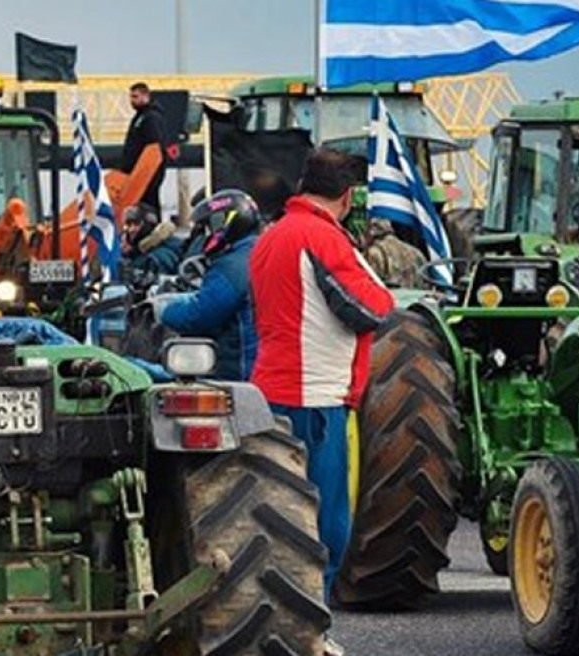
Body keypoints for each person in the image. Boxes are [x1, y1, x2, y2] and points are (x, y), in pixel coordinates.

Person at [249, 149, 394, 620]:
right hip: (317, 402)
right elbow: (372, 306)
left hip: (270, 394)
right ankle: (311, 627)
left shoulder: (270, 238)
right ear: (347, 196)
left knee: (276, 522)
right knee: (327, 529)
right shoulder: (322, 237)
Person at [159, 190, 262, 381]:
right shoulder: (257, 250)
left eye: (208, 227)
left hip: (238, 373)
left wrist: (163, 309)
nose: (206, 236)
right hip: (260, 365)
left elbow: (200, 316)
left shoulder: (233, 265)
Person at [121, 82, 167, 212]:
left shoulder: (151, 118)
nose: (132, 101)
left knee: (148, 203)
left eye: (135, 97)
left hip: (147, 173)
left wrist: (145, 171)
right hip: (138, 172)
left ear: (145, 96)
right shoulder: (140, 117)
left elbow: (154, 146)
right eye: (131, 97)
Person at [363, 218, 429, 288]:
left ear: (371, 232)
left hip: (393, 297)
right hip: (418, 297)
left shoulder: (374, 253)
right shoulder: (417, 253)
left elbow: (370, 285)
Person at [121, 203, 182, 278]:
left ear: (148, 225)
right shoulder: (142, 250)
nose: (131, 230)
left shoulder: (156, 257)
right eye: (128, 224)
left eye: (136, 224)